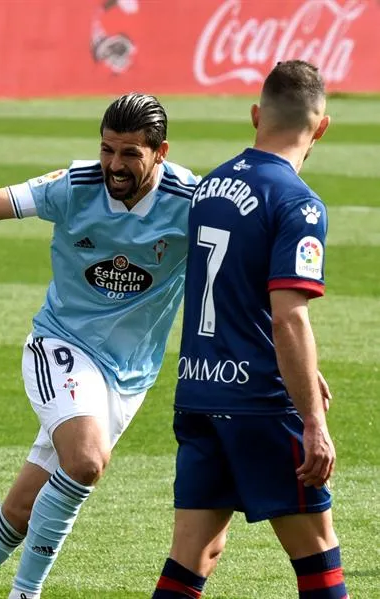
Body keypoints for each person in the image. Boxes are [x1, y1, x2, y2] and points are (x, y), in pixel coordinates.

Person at [0, 93, 200, 599]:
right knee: (85, 462)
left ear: (160, 152)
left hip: (130, 375)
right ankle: (26, 594)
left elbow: (244, 268)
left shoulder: (190, 200)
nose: (114, 166)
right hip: (63, 344)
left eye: (129, 154)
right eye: (107, 150)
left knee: (22, 509)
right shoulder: (76, 184)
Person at [150, 60, 348, 599]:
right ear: (322, 127)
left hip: (198, 391)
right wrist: (311, 419)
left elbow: (237, 297)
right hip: (259, 401)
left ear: (257, 115)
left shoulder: (210, 185)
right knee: (317, 552)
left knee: (195, 554)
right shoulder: (298, 202)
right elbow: (287, 315)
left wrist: (306, 371)